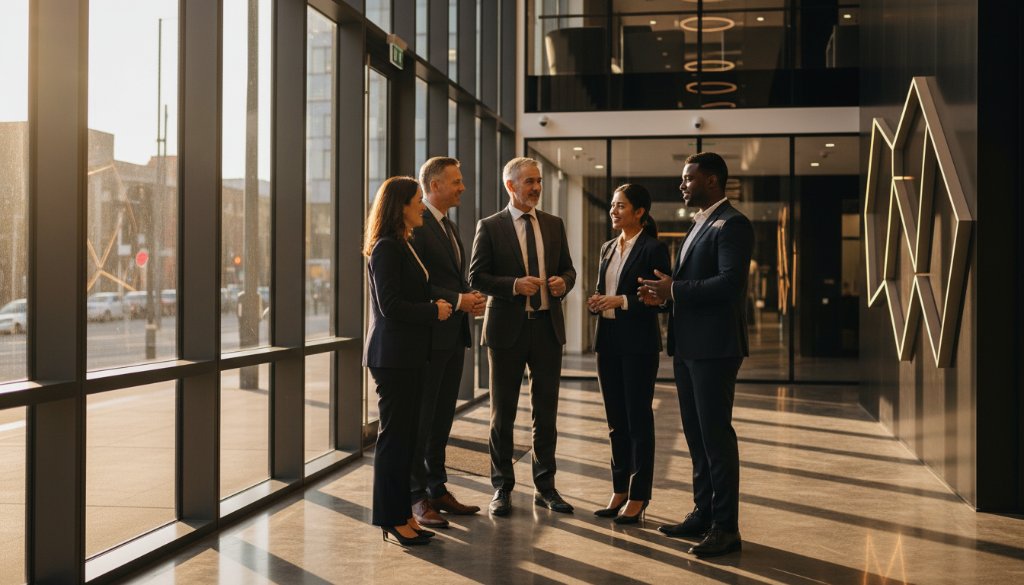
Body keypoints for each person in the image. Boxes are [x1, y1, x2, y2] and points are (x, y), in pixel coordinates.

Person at [639, 152, 754, 557]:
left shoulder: (733, 224)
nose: (682, 185)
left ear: (712, 180)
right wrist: (664, 296)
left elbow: (729, 283)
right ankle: (703, 513)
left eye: (688, 178)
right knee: (696, 435)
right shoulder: (700, 223)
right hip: (689, 347)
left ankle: (726, 528)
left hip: (714, 348)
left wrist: (674, 289)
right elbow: (693, 285)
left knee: (715, 437)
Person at [469, 157, 577, 516]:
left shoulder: (554, 224)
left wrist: (563, 283)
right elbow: (476, 277)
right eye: (529, 181)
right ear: (510, 186)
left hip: (547, 328)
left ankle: (546, 486)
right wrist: (514, 285)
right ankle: (502, 487)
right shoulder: (490, 226)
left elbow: (569, 269)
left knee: (545, 413)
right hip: (506, 331)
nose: (536, 187)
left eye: (539, 181)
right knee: (503, 414)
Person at [362, 176, 453, 546]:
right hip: (393, 357)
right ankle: (390, 518)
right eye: (417, 200)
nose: (422, 207)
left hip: (408, 355)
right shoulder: (386, 247)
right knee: (394, 441)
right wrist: (434, 310)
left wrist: (439, 304)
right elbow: (391, 306)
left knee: (405, 440)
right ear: (399, 206)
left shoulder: (403, 243)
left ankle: (402, 516)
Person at [408, 157, 487, 528]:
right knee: (422, 421)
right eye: (456, 181)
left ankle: (437, 488)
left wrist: (470, 296)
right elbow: (417, 284)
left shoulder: (449, 226)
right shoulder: (416, 224)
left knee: (441, 420)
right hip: (428, 340)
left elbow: (452, 277)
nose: (462, 187)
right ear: (435, 185)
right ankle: (416, 498)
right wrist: (459, 300)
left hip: (453, 336)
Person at [587, 184, 670, 525]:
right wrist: (597, 301)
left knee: (638, 420)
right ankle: (619, 489)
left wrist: (620, 301)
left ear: (640, 212)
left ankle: (639, 495)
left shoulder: (654, 248)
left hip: (638, 344)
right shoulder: (608, 247)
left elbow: (659, 300)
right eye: (613, 205)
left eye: (621, 206)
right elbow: (602, 288)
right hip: (607, 342)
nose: (614, 211)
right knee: (615, 422)